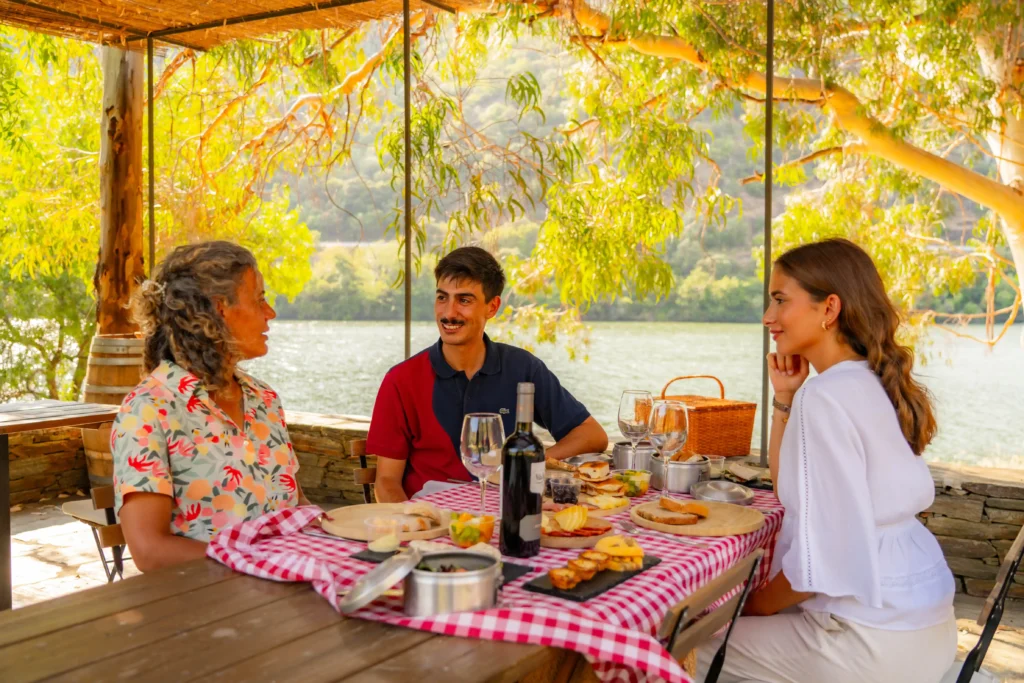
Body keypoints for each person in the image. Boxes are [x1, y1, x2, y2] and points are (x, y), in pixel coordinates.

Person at [698, 238, 956, 683]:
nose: (768, 318)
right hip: (925, 631)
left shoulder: (827, 395)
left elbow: (820, 565)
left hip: (869, 644)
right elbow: (789, 491)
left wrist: (749, 605)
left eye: (780, 300)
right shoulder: (868, 383)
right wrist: (785, 398)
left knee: (670, 642)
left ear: (829, 308)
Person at [111, 241, 308, 572]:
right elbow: (149, 550)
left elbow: (294, 506)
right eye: (259, 299)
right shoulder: (148, 411)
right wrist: (259, 563)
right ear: (219, 310)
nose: (270, 312)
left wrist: (342, 534)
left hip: (283, 594)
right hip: (201, 609)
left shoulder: (265, 400)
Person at [368, 246, 608, 502]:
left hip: (509, 512)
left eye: (464, 300)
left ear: (492, 307)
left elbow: (592, 435)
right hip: (433, 521)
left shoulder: (523, 368)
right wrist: (412, 524)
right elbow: (386, 481)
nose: (449, 313)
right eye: (442, 298)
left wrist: (528, 461)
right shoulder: (401, 381)